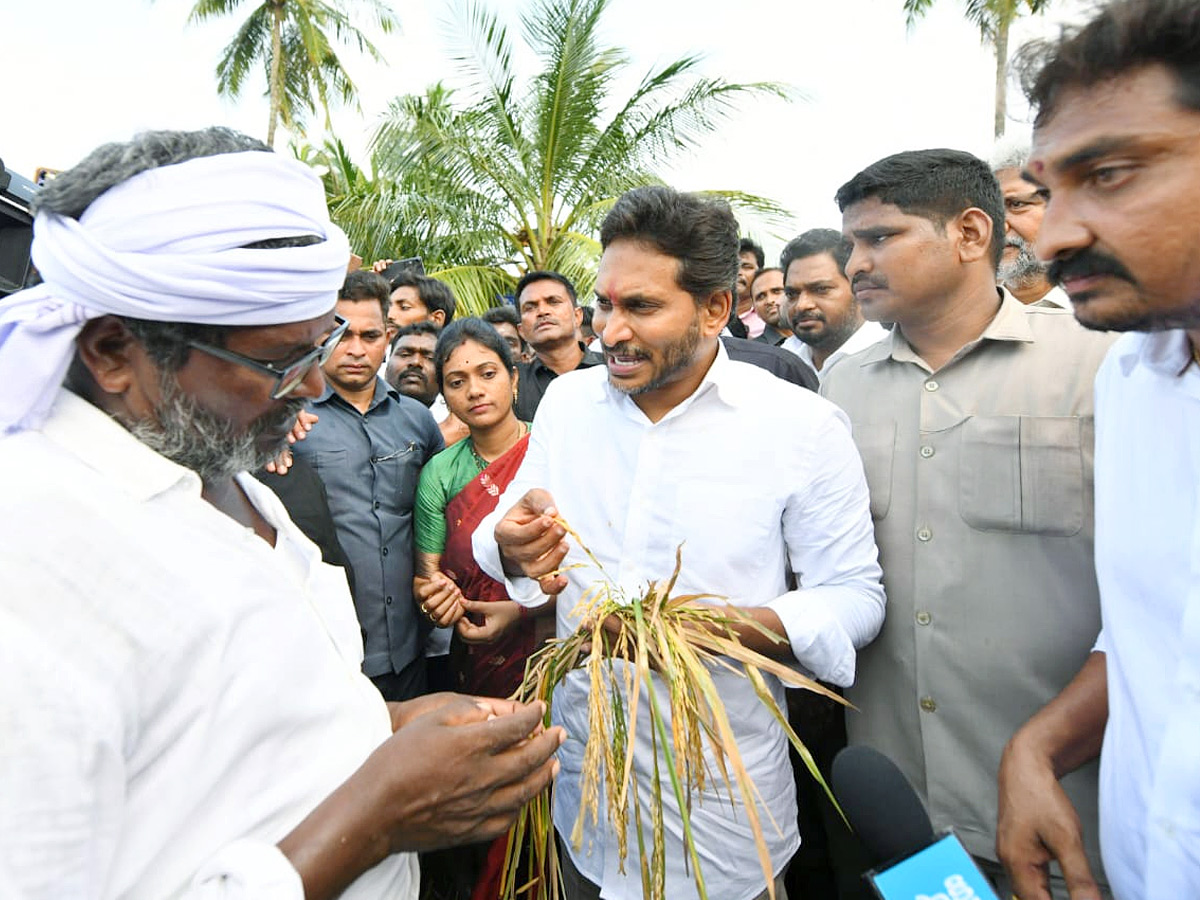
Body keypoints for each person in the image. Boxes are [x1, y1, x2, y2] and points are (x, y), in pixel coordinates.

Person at [0, 127, 563, 899]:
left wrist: (387, 730)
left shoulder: (220, 471)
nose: (309, 388)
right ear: (111, 351)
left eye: (319, 346)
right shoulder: (30, 562)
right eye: (280, 362)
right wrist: (376, 817)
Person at [474, 184, 885, 900]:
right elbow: (509, 527)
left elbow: (855, 596)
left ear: (716, 309)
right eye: (604, 304)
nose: (610, 332)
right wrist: (512, 548)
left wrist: (730, 631)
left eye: (641, 307)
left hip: (723, 819)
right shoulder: (569, 404)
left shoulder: (801, 427)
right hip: (587, 807)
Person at [822, 148, 1117, 898]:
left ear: (970, 232)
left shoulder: (1100, 369)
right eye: (850, 243)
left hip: (1066, 813)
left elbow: (1163, 605)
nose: (856, 262)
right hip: (899, 818)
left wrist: (1045, 753)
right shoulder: (838, 389)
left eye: (880, 237)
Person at [997, 3, 1200, 898]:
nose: (1051, 235)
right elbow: (1157, 634)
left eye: (1110, 173)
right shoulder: (1132, 380)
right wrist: (1039, 747)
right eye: (1049, 189)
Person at [413, 317, 557, 900]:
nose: (474, 389)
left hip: (558, 649)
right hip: (480, 662)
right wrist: (437, 602)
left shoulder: (552, 455)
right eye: (456, 380)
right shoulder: (439, 475)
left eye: (487, 373)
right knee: (499, 806)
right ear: (442, 395)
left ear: (514, 379)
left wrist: (527, 612)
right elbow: (428, 583)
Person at [293, 274, 444, 702]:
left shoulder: (417, 420)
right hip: (325, 654)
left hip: (409, 651)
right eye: (341, 334)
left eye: (370, 335)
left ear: (388, 337)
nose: (356, 349)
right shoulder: (286, 423)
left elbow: (437, 514)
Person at [778, 228, 888, 380]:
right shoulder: (780, 366)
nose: (801, 305)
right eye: (792, 294)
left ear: (858, 287)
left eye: (821, 289)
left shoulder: (892, 362)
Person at [512, 269, 604, 420]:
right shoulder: (513, 384)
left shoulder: (613, 370)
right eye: (530, 307)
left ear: (577, 316)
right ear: (521, 330)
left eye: (553, 302)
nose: (542, 311)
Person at [990, 142, 1069, 308]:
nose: (999, 226)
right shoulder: (961, 314)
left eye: (1017, 205)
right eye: (990, 209)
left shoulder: (1108, 310)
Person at [750, 266, 792, 346]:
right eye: (761, 297)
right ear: (754, 308)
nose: (769, 300)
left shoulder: (817, 337)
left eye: (776, 291)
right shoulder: (751, 351)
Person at [736, 236, 767, 338]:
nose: (738, 272)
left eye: (746, 267)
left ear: (759, 274)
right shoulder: (706, 314)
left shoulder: (767, 318)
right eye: (733, 266)